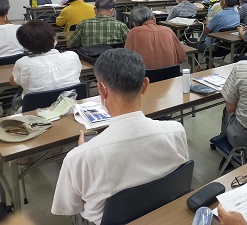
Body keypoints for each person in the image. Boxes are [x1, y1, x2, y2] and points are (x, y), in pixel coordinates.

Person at [51, 49, 188, 225]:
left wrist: (84, 151)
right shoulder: (176, 131)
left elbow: (69, 207)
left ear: (101, 89)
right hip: (164, 215)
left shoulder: (79, 157)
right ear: (145, 85)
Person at [9, 20, 81, 100]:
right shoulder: (72, 56)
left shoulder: (23, 63)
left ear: (23, 45)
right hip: (72, 106)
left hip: (36, 110)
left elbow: (13, 82)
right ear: (54, 39)